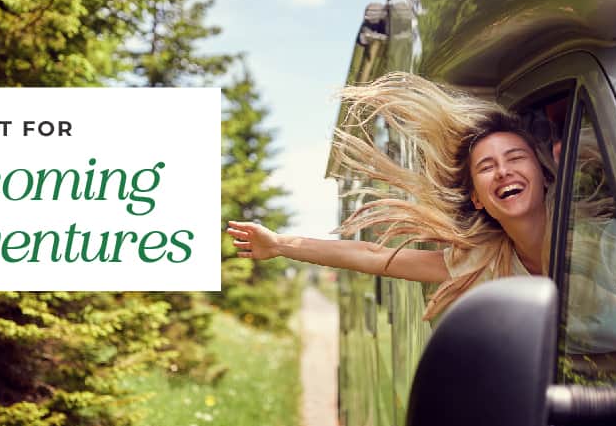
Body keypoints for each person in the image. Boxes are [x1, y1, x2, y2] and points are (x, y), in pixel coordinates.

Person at [228, 72, 558, 320]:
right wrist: (279, 245)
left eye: (515, 158)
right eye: (487, 166)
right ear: (477, 199)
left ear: (543, 174)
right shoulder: (485, 260)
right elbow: (372, 255)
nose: (503, 171)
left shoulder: (603, 242)